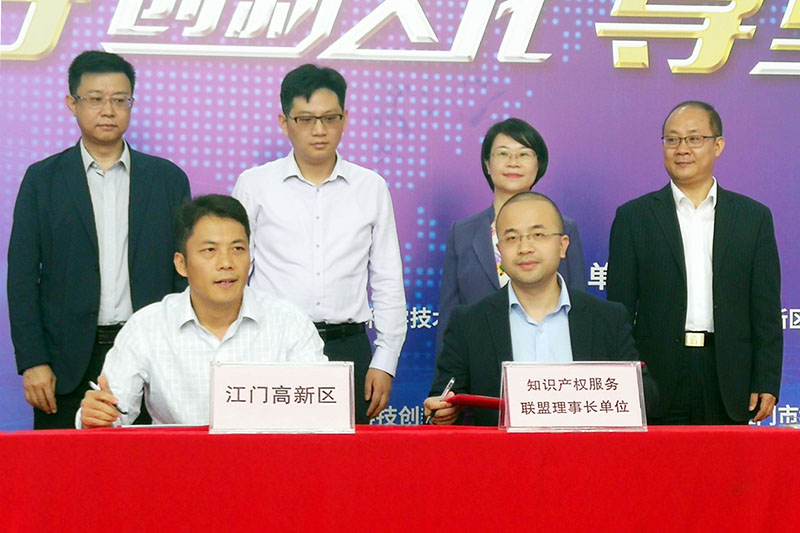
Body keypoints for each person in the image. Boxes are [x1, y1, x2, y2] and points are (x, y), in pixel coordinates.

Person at [7, 50, 190, 429]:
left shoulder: (167, 180)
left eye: (120, 100)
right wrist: (33, 360)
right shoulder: (43, 180)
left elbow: (183, 273)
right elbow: (22, 277)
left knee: (149, 464)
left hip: (151, 355)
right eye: (95, 99)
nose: (108, 110)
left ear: (131, 104)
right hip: (65, 362)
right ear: (72, 103)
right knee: (65, 465)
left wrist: (182, 351)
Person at [232, 64, 406, 424]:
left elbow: (387, 279)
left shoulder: (370, 187)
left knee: (344, 457)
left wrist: (385, 361)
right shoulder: (255, 185)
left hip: (347, 348)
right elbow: (234, 274)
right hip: (272, 347)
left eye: (330, 118)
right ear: (284, 123)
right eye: (305, 119)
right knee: (270, 453)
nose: (319, 130)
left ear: (345, 119)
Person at [79, 195, 327, 427]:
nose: (226, 263)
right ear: (181, 264)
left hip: (264, 456)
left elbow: (322, 411)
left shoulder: (289, 323)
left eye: (237, 249)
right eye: (210, 250)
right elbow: (112, 412)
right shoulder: (147, 326)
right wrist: (96, 415)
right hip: (178, 458)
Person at [607, 100, 782, 425]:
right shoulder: (634, 217)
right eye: (672, 139)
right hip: (656, 376)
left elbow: (766, 310)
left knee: (724, 459)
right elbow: (619, 311)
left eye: (694, 138)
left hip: (729, 374)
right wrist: (623, 379)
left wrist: (767, 378)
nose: (682, 149)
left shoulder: (753, 218)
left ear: (718, 145)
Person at [424, 192, 657, 426]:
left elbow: (645, 398)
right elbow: (443, 399)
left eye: (538, 235)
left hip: (585, 448)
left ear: (562, 246)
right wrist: (441, 412)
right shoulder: (469, 323)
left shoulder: (608, 318)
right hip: (502, 449)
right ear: (500, 250)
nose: (525, 247)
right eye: (512, 238)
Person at [436, 118, 587, 357]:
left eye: (523, 154)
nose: (513, 162)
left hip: (550, 362)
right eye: (503, 154)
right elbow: (449, 319)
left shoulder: (564, 228)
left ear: (539, 164)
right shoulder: (462, 232)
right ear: (487, 164)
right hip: (480, 362)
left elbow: (580, 308)